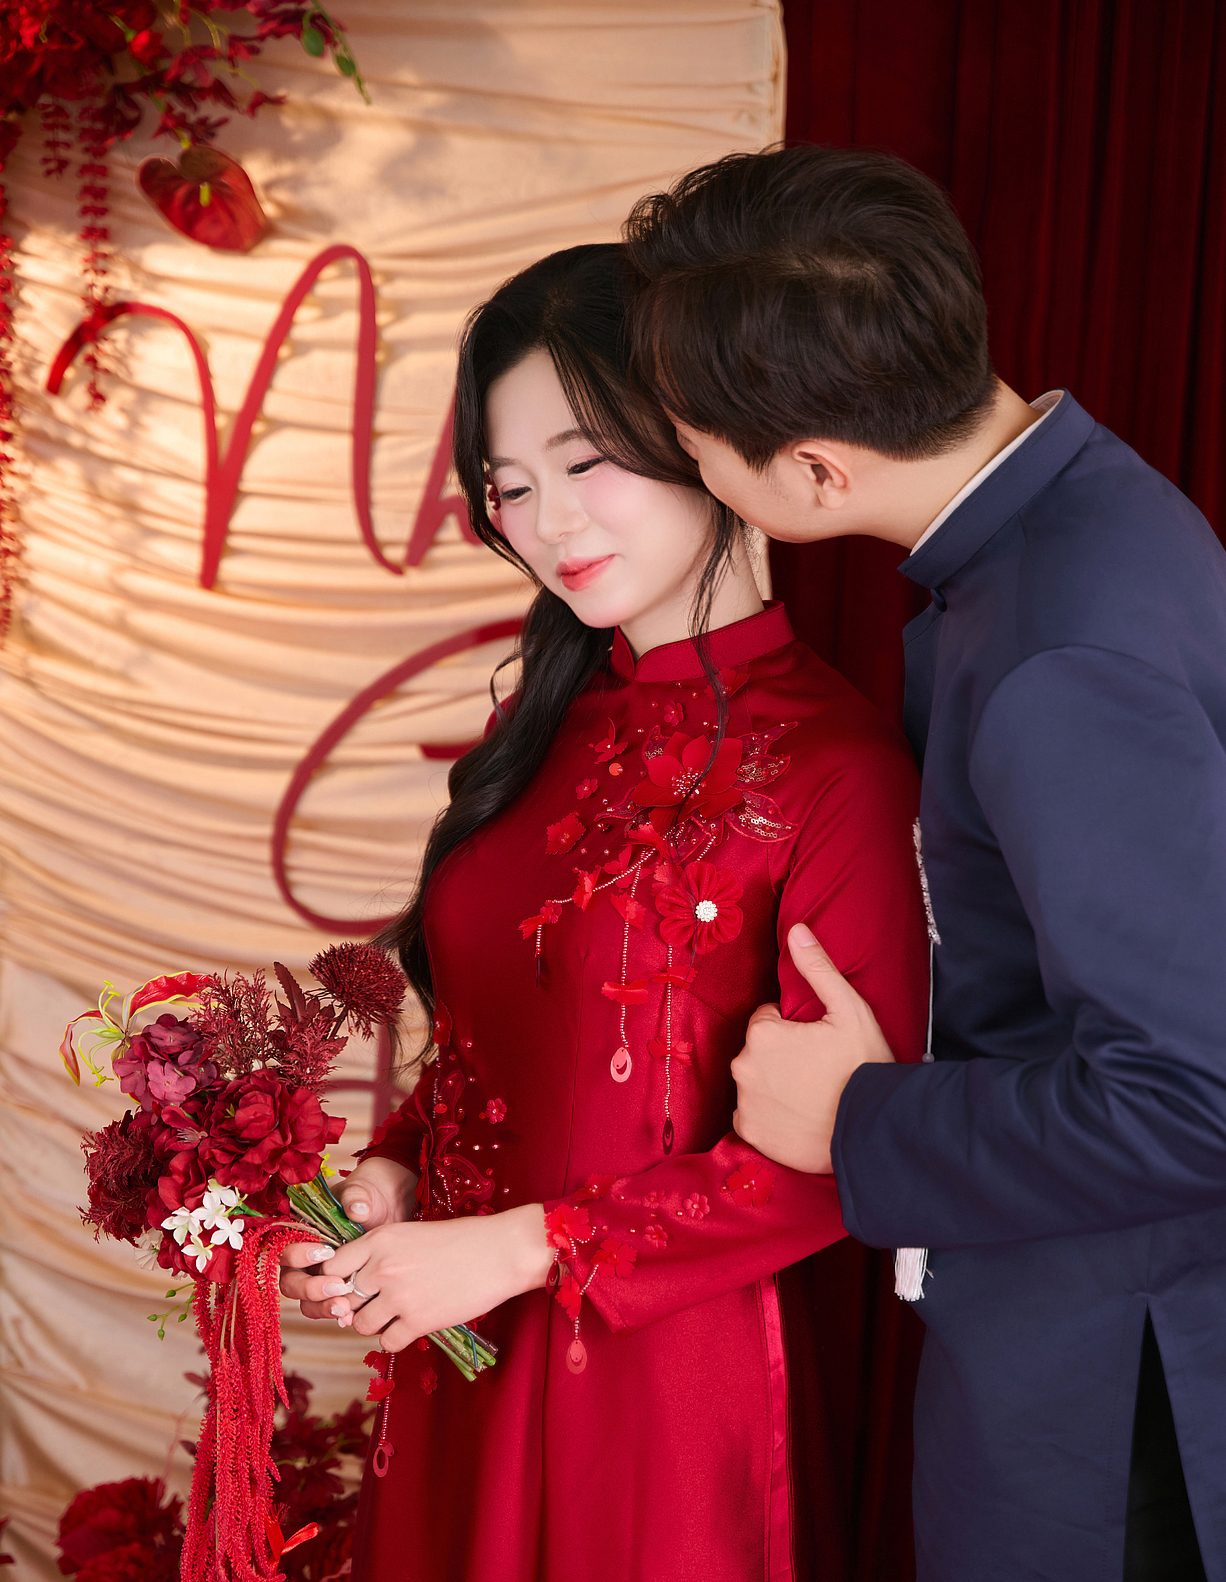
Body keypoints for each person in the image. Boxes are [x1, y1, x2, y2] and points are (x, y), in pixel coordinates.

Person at [279, 241, 930, 1581]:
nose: (549, 523)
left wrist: (520, 1248)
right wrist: (394, 1174)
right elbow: (496, 1047)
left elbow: (836, 1165)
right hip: (459, 1342)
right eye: (511, 487)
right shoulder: (535, 732)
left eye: (586, 464)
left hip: (660, 1386)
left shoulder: (834, 772)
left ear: (702, 436)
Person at [622, 144, 1226, 1582]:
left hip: (1113, 1390)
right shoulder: (1075, 506)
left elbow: (1194, 1098)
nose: (687, 468)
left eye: (694, 444)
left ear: (813, 471)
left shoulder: (1056, 653)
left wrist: (859, 1118)